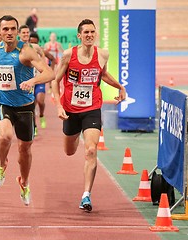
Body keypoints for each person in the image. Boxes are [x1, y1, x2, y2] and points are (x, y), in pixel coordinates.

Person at [0, 15, 55, 206]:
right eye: (5, 29)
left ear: (17, 31)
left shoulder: (26, 52)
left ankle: (24, 182)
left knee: (24, 149)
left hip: (25, 108)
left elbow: (49, 73)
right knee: (5, 136)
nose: (9, 32)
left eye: (12, 29)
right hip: (4, 104)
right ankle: (2, 164)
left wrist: (32, 80)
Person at [51, 19, 126, 212]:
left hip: (92, 108)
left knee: (91, 150)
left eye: (92, 32)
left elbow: (103, 75)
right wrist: (59, 106)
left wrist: (120, 86)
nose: (89, 35)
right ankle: (75, 136)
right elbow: (55, 81)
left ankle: (86, 195)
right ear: (79, 35)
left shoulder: (103, 54)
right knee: (69, 150)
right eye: (86, 32)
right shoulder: (69, 55)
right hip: (70, 110)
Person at [29, 32, 56, 133]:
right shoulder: (25, 52)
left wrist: (50, 70)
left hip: (40, 80)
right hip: (30, 81)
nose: (33, 44)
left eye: (34, 42)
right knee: (31, 105)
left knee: (40, 101)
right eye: (31, 42)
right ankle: (34, 126)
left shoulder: (42, 51)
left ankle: (41, 114)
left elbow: (53, 60)